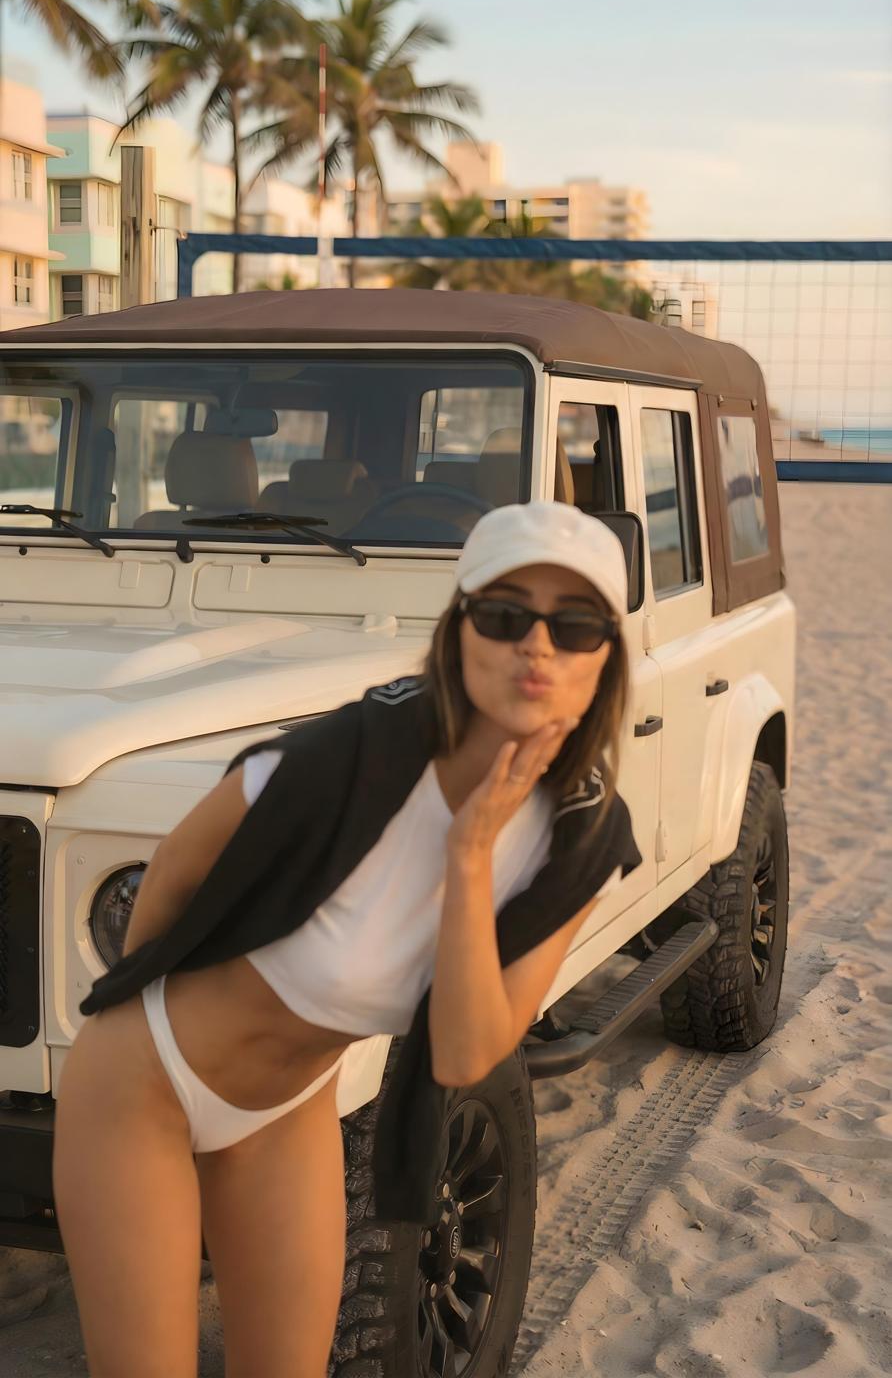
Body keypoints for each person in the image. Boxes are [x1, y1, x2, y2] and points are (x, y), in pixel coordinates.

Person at [53, 499, 641, 1378]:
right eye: (506, 614)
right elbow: (177, 869)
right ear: (459, 632)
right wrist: (144, 1031)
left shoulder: (581, 839)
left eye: (577, 623)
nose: (538, 646)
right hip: (145, 1086)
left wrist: (471, 853)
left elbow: (469, 1049)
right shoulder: (350, 753)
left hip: (287, 1114)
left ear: (608, 656)